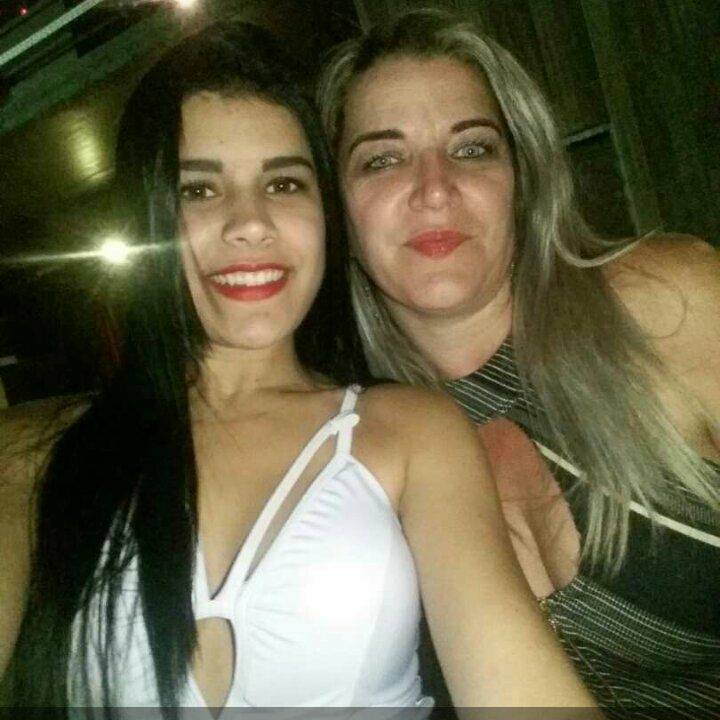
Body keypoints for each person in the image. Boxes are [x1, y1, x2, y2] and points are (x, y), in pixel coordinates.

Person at [0, 20, 598, 717]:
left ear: (326, 215)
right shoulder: (31, 453)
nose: (249, 223)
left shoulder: (411, 431)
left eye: (283, 183)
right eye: (199, 191)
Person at [317, 7, 720, 715]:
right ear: (336, 212)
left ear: (522, 179)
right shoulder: (351, 453)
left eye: (471, 148)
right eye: (382, 159)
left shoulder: (665, 302)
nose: (434, 188)